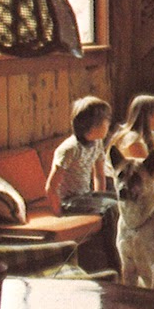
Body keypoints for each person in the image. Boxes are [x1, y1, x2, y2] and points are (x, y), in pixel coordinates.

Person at [46, 96, 121, 273]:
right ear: (93, 125)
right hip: (69, 201)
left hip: (86, 196)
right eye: (106, 120)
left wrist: (99, 199)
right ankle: (115, 263)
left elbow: (99, 175)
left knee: (121, 200)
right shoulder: (69, 149)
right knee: (111, 208)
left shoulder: (97, 142)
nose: (109, 124)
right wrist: (59, 213)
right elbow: (51, 187)